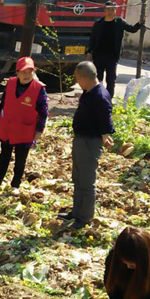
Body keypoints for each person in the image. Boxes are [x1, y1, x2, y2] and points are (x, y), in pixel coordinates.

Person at [59, 61, 114, 230]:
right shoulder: (88, 92)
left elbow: (106, 118)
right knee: (78, 178)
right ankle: (76, 211)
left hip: (90, 142)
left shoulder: (100, 96)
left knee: (87, 181)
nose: (77, 82)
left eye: (77, 79)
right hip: (81, 140)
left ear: (84, 78)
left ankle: (85, 217)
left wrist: (106, 135)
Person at [0, 57, 48, 196]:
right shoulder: (10, 83)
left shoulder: (39, 89)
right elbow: (2, 104)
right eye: (23, 72)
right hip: (8, 127)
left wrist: (39, 130)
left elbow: (44, 112)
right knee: (3, 157)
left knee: (20, 161)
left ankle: (15, 185)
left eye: (29, 72)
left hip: (25, 130)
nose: (26, 75)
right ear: (17, 73)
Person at [86, 0, 141, 98]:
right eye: (108, 9)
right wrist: (89, 53)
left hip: (112, 56)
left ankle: (108, 99)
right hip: (99, 55)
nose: (110, 12)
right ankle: (97, 98)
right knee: (98, 79)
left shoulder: (119, 22)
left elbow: (132, 29)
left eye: (112, 9)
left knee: (111, 79)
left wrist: (140, 23)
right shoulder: (98, 23)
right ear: (104, 10)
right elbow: (92, 39)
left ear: (115, 11)